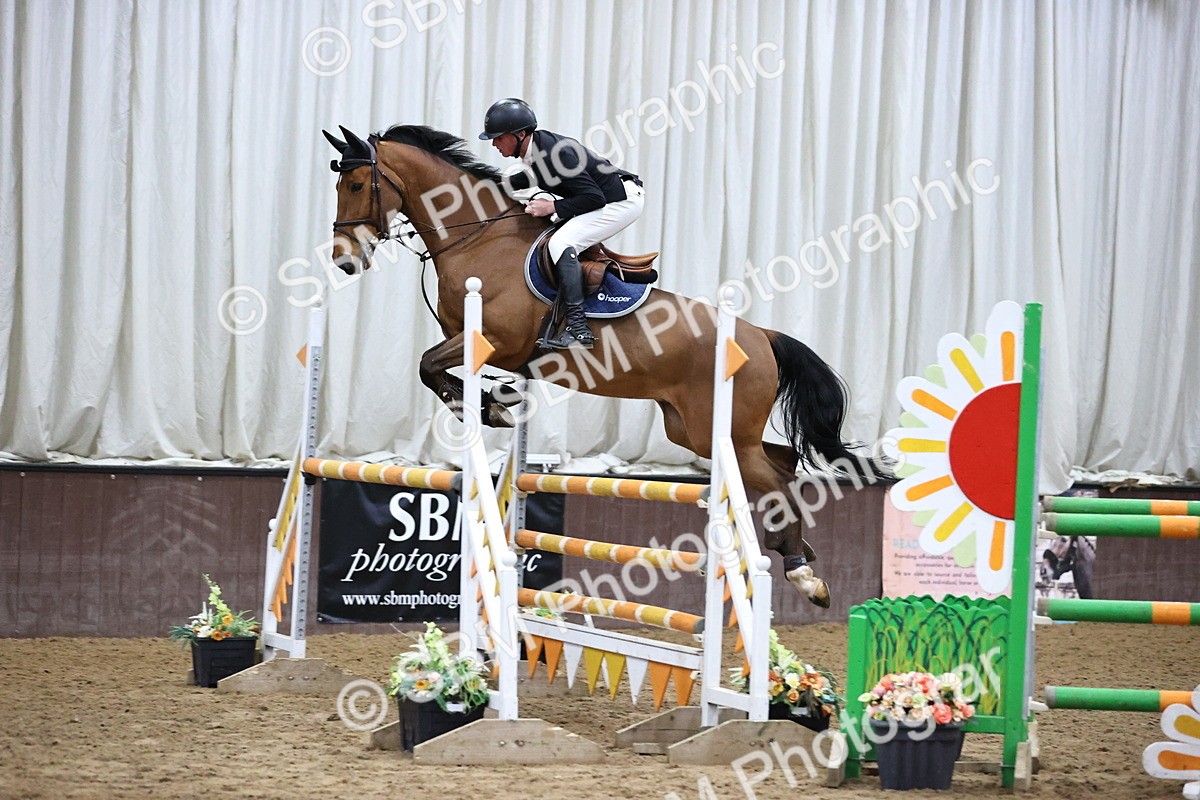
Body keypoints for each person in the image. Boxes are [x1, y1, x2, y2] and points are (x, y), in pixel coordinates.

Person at [479, 98, 645, 350]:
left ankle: (579, 330)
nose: (494, 143)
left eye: (499, 137)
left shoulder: (555, 154)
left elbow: (594, 198)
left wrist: (553, 207)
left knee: (561, 243)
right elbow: (533, 176)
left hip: (620, 201)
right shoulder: (536, 149)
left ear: (520, 134)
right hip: (606, 197)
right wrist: (491, 187)